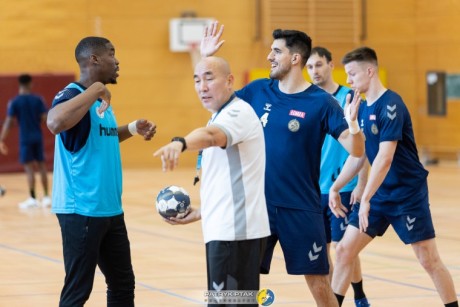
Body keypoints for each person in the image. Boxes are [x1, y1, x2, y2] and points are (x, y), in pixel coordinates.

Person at [201, 22, 365, 307]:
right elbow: (215, 104)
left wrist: (353, 125)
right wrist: (207, 59)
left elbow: (357, 151)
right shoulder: (257, 91)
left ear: (295, 58)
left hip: (300, 207)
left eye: (276, 51)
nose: (269, 57)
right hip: (255, 208)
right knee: (240, 281)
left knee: (319, 283)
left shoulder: (322, 103)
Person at [328, 46, 459, 307]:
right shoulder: (362, 108)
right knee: (343, 250)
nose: (348, 81)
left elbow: (385, 158)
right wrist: (336, 187)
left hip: (405, 194)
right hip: (378, 194)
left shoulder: (392, 105)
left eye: (352, 74)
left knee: (428, 259)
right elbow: (359, 156)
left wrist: (365, 198)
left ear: (370, 70)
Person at [46, 36, 156, 307]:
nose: (117, 61)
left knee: (122, 284)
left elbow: (100, 137)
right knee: (77, 291)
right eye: (111, 54)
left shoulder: (98, 101)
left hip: (109, 210)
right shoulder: (73, 95)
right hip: (80, 209)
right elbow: (55, 122)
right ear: (93, 59)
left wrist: (131, 129)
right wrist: (95, 89)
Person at [154, 56, 270, 306]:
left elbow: (209, 136)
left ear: (230, 81)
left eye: (209, 78)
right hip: (227, 231)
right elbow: (227, 179)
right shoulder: (221, 114)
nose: (202, 87)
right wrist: (203, 212)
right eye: (197, 80)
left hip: (235, 236)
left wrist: (179, 142)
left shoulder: (238, 112)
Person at [306, 46, 371, 307]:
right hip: (313, 189)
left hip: (344, 186)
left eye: (319, 65)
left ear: (331, 65)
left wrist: (362, 186)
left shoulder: (350, 98)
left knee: (344, 247)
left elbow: (364, 148)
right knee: (326, 251)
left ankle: (354, 296)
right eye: (309, 67)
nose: (314, 71)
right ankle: (345, 297)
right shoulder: (307, 100)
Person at [0, 74, 51, 208]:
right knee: (42, 167)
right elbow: (45, 118)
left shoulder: (15, 102)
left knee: (29, 169)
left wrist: (1, 139)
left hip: (25, 138)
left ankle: (33, 198)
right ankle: (46, 197)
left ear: (19, 85)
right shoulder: (38, 100)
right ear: (30, 84)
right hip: (37, 137)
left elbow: (9, 123)